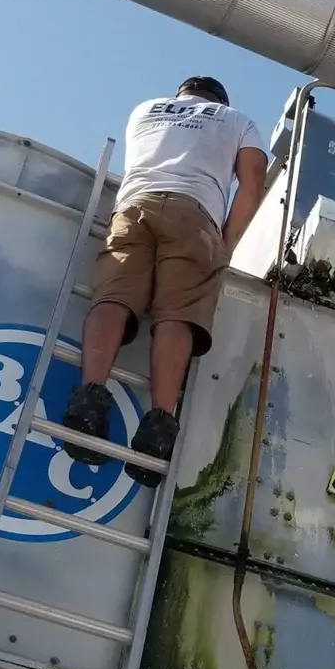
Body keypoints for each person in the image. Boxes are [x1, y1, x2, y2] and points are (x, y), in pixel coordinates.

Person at [63, 76, 267, 484]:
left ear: (181, 94)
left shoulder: (144, 110)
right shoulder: (236, 119)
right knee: (176, 314)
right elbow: (253, 181)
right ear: (219, 99)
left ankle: (88, 399)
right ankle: (158, 425)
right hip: (193, 214)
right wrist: (225, 244)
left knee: (113, 299)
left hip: (132, 207)